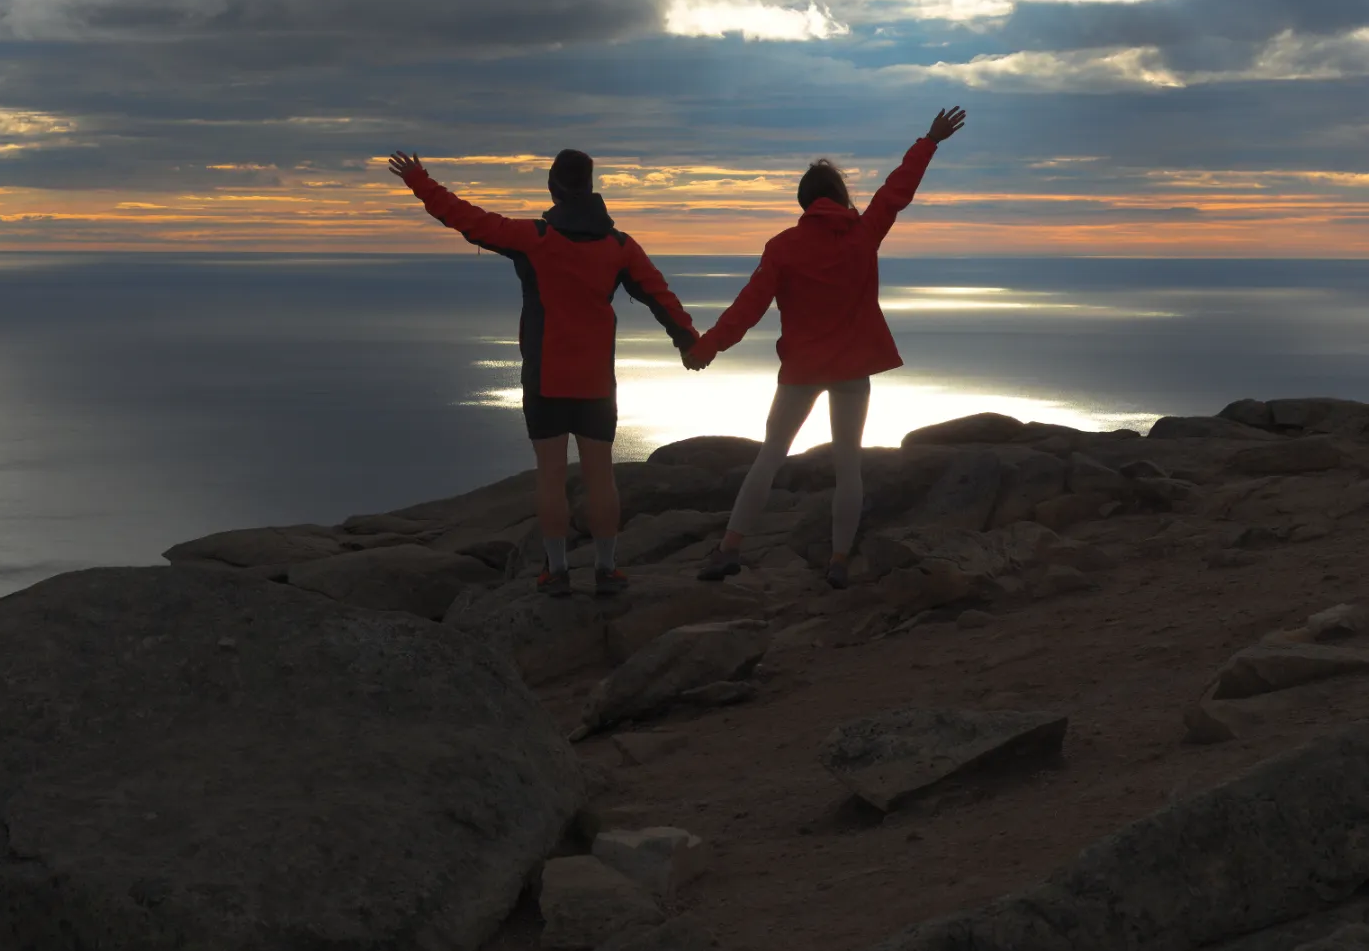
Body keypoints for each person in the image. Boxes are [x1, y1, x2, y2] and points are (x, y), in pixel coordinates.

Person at [387, 147, 701, 598]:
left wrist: (419, 180)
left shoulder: (535, 238)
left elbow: (466, 219)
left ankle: (556, 572)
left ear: (553, 188)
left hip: (546, 380)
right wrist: (689, 343)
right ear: (591, 187)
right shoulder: (620, 247)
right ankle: (606, 569)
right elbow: (660, 296)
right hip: (596, 383)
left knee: (551, 476)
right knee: (600, 476)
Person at [684, 107, 966, 588]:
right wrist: (930, 141)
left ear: (803, 202)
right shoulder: (863, 235)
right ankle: (838, 561)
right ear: (839, 197)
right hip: (853, 368)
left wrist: (706, 348)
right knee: (849, 467)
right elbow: (895, 192)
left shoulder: (783, 247)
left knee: (770, 455)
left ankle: (729, 549)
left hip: (803, 370)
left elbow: (747, 308)